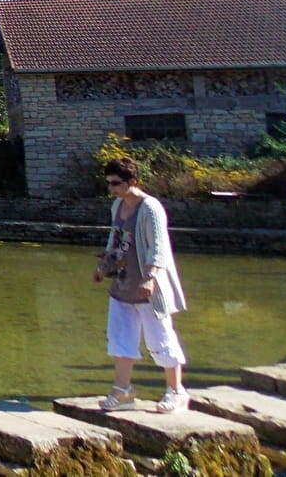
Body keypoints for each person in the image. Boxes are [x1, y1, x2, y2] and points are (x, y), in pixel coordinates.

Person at [93, 157, 189, 413]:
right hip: (123, 285)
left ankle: (176, 391)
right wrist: (104, 266)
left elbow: (159, 248)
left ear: (133, 181)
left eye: (116, 183)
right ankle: (123, 392)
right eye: (109, 183)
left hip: (149, 288)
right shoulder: (117, 205)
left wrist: (151, 278)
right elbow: (114, 239)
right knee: (120, 339)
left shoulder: (150, 208)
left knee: (161, 338)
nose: (112, 188)